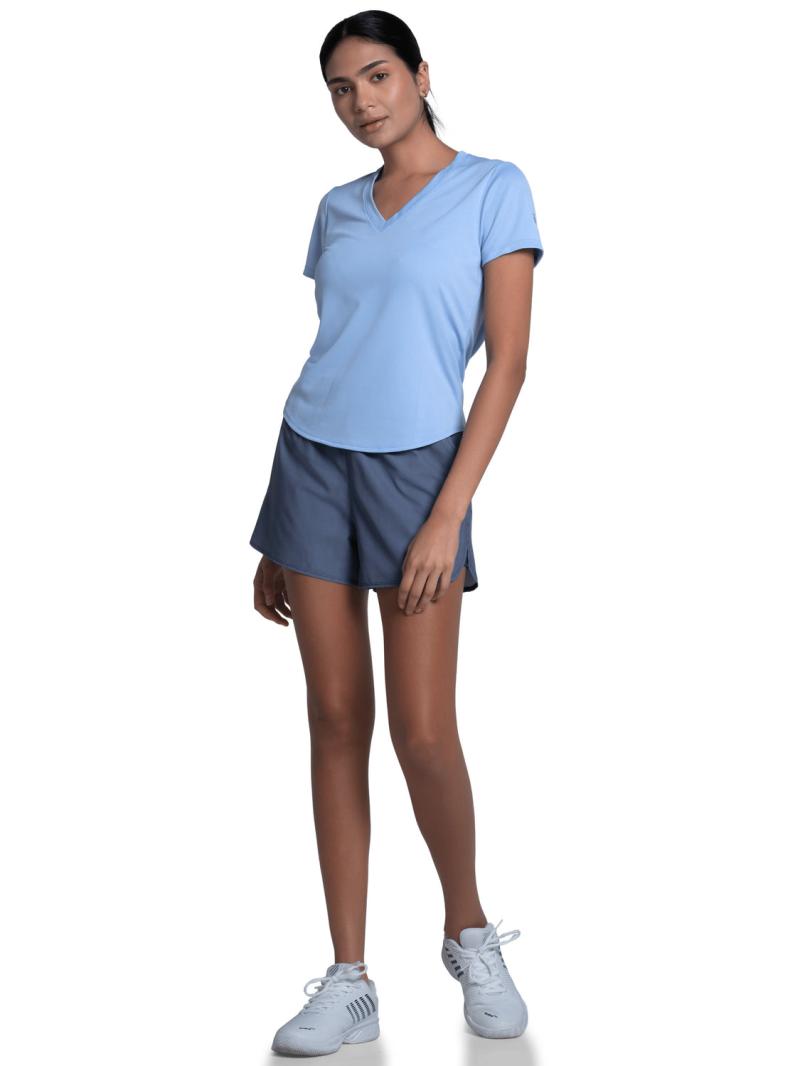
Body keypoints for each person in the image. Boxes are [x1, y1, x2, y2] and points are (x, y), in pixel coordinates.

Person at [250, 11, 544, 1056]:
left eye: (376, 76)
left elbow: (506, 364)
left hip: (421, 474)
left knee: (421, 731)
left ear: (420, 74)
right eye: (340, 88)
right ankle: (349, 977)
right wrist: (277, 532)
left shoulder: (493, 188)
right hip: (309, 465)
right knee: (334, 719)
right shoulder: (335, 207)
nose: (361, 101)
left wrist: (448, 513)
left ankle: (469, 932)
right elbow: (339, 349)